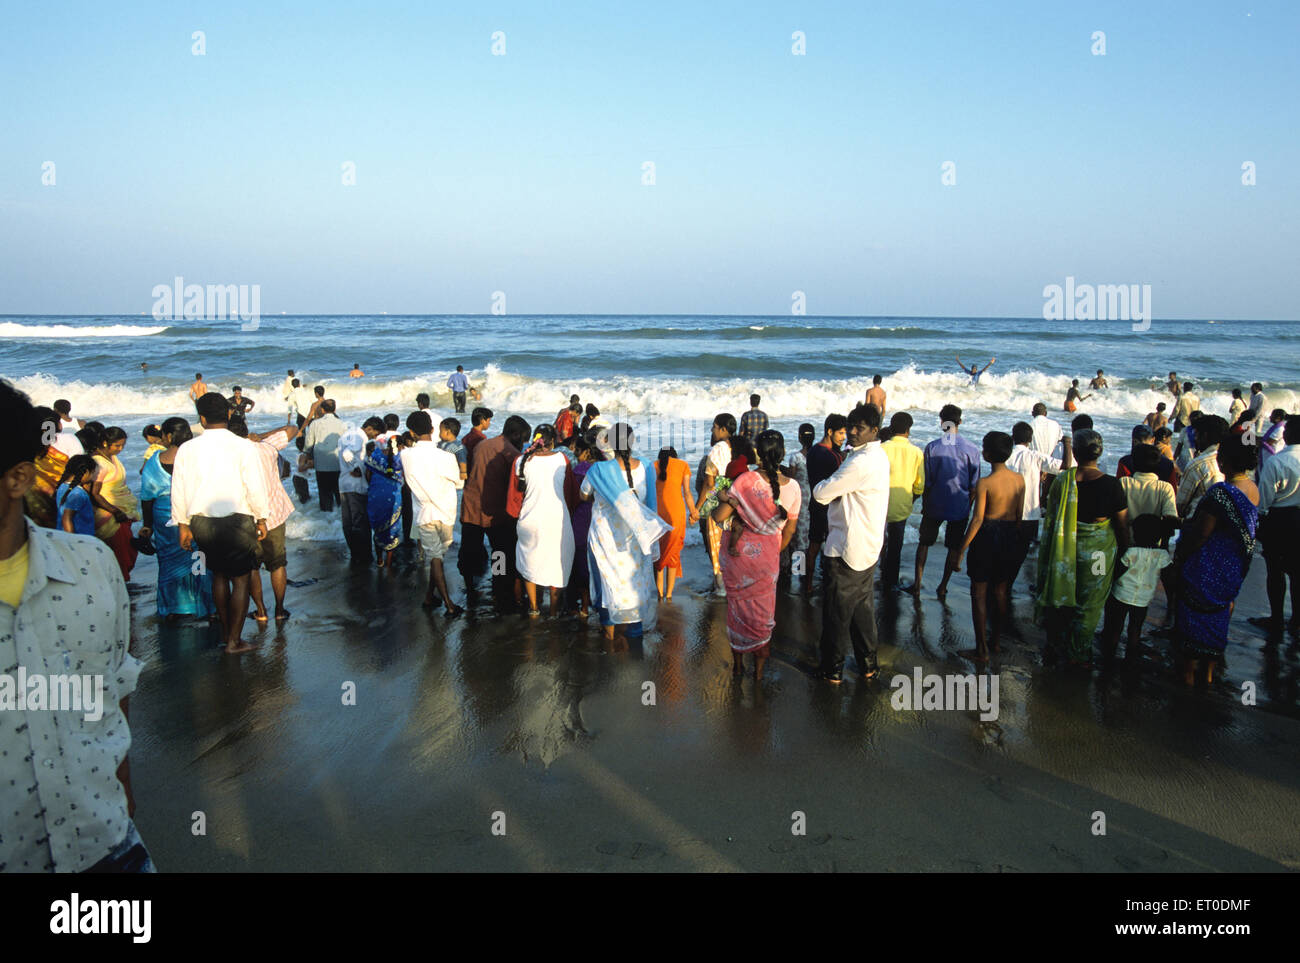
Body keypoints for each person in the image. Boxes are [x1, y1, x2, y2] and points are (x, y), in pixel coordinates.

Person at [0, 379, 152, 872]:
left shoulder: (89, 566)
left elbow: (115, 688)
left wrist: (123, 792)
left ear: (18, 478)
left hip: (108, 842)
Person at [171, 392, 271, 655]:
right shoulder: (244, 446)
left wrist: (182, 524)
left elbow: (178, 488)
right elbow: (254, 486)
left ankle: (226, 633)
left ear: (202, 419)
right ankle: (234, 641)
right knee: (240, 579)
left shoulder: (187, 449)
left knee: (218, 575)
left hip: (201, 520)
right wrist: (262, 517)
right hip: (238, 519)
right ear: (228, 414)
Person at [1037, 429, 1129, 667]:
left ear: (1075, 453)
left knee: (1062, 598)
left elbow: (1051, 516)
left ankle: (1056, 644)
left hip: (1064, 552)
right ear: (1100, 452)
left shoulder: (1062, 481)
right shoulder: (1111, 485)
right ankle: (1078, 653)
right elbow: (1121, 525)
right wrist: (1125, 552)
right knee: (1090, 603)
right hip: (1097, 557)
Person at [713, 429, 799, 680]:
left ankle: (738, 666)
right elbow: (790, 530)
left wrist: (724, 499)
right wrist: (773, 552)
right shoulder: (794, 487)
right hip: (768, 559)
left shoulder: (745, 480)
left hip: (739, 558)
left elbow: (719, 517)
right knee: (763, 614)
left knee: (737, 610)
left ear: (758, 454)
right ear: (782, 453)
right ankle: (759, 672)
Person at [813, 404, 889, 683]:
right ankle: (868, 664)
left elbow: (821, 493)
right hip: (867, 545)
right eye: (851, 426)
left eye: (860, 428)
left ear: (874, 430)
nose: (852, 432)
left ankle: (832, 669)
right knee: (862, 610)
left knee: (837, 613)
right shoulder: (877, 455)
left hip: (847, 547)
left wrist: (828, 484)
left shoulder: (859, 462)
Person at [1173, 435, 1259, 685]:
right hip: (1234, 566)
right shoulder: (1253, 488)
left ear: (1225, 461)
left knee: (1193, 617)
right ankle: (1208, 675)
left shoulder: (1221, 493)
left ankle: (1188, 676)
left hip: (1208, 565)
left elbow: (1202, 533)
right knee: (1218, 618)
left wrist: (1182, 556)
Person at [579, 423, 669, 641]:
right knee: (633, 586)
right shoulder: (646, 466)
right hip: (635, 540)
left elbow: (583, 495)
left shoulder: (598, 470)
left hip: (605, 540)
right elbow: (651, 506)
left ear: (609, 443)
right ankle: (634, 634)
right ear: (632, 441)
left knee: (606, 585)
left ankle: (609, 636)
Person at [955, 431, 1026, 662]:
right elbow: (1019, 515)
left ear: (987, 454)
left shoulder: (984, 483)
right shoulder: (1019, 479)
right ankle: (995, 642)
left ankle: (981, 649)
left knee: (979, 593)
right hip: (1010, 535)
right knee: (1001, 591)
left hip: (987, 536)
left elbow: (977, 520)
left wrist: (961, 550)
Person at [138, 417, 215, 621]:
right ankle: (204, 604)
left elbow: (146, 497)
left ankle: (173, 607)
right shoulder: (198, 457)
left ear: (169, 436)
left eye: (163, 434)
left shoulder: (154, 461)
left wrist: (147, 525)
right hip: (195, 513)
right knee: (199, 559)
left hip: (165, 517)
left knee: (168, 562)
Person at [913, 405, 980, 600]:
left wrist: (925, 504)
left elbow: (927, 482)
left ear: (942, 422)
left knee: (924, 543)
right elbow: (974, 486)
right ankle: (943, 586)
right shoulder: (972, 449)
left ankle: (917, 584)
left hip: (934, 503)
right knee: (953, 547)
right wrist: (968, 505)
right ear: (960, 422)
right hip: (959, 506)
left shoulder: (932, 447)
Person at [234, 416, 297, 624]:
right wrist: (261, 436)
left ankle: (261, 610)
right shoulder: (265, 446)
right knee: (277, 563)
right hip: (273, 513)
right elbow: (292, 428)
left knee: (252, 566)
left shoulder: (228, 455)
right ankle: (279, 609)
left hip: (246, 516)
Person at [401, 411, 466, 616]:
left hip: (424, 512)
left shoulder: (405, 455)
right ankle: (448, 603)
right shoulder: (446, 456)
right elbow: (459, 483)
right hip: (446, 511)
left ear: (411, 432)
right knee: (438, 557)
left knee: (435, 558)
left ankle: (431, 597)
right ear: (432, 429)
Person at [507, 425, 573, 617]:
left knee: (530, 561)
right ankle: (553, 611)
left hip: (529, 519)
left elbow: (514, 499)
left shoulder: (521, 461)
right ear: (553, 442)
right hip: (557, 520)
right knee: (556, 563)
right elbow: (569, 493)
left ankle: (534, 607)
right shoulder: (562, 459)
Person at [1248, 415, 1300, 643]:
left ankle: (1276, 618)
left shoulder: (1277, 462)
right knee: (1297, 573)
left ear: (1288, 435)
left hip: (1280, 520)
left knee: (1275, 571)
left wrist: (1258, 523)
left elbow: (1264, 501)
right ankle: (1296, 620)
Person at [471, 415, 531, 606]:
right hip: (496, 513)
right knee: (501, 553)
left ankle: (478, 589)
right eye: (523, 439)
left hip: (472, 508)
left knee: (474, 552)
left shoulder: (482, 445)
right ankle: (501, 588)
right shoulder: (511, 454)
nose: (523, 444)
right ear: (516, 435)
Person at [1099, 514, 1175, 663]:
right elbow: (1169, 577)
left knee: (1116, 628)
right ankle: (1130, 659)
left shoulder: (1130, 553)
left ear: (1136, 534)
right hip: (1143, 600)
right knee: (1135, 629)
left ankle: (1109, 658)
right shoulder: (1162, 555)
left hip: (1121, 595)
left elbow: (1116, 573)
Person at [1006, 421, 1070, 585]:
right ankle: (1009, 581)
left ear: (1013, 437)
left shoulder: (1006, 455)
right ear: (1030, 440)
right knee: (1021, 551)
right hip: (1029, 513)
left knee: (1005, 550)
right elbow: (1065, 465)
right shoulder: (1035, 456)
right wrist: (1067, 444)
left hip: (1006, 512)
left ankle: (1002, 582)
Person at [880, 412, 924, 591]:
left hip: (878, 505)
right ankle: (891, 582)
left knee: (877, 543)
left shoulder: (881, 449)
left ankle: (875, 574)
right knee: (895, 547)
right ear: (908, 430)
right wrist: (910, 499)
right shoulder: (917, 452)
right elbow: (919, 486)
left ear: (891, 427)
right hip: (902, 506)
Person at [805, 413, 847, 596]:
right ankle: (830, 585)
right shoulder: (831, 456)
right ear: (830, 432)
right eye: (841, 433)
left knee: (813, 546)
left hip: (815, 505)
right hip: (830, 509)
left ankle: (807, 585)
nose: (844, 437)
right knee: (833, 548)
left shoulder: (814, 450)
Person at [90, 427, 140, 580]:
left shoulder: (111, 458)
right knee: (119, 550)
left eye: (123, 445)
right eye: (117, 445)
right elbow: (95, 493)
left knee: (126, 548)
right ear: (105, 443)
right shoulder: (99, 463)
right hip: (109, 513)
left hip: (120, 510)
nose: (120, 449)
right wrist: (115, 511)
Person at [653, 446, 698, 602]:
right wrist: (693, 512)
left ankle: (659, 595)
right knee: (673, 554)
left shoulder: (652, 466)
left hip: (657, 515)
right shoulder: (683, 465)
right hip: (676, 514)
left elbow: (647, 492)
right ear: (675, 456)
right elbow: (687, 492)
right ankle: (669, 595)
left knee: (658, 556)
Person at [700, 413, 738, 594]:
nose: (712, 430)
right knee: (732, 541)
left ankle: (721, 587)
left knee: (716, 544)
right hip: (736, 497)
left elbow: (709, 484)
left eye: (714, 427)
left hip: (718, 499)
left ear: (723, 429)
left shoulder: (717, 449)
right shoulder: (738, 445)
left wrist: (698, 507)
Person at [564, 433, 598, 617]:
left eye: (577, 451)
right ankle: (592, 602)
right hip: (598, 519)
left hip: (580, 519)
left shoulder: (579, 471)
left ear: (586, 452)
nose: (576, 454)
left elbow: (572, 498)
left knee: (578, 562)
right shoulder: (603, 469)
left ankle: (579, 605)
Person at [364, 416, 404, 567]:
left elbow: (368, 474)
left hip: (375, 495)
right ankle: (388, 561)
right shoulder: (399, 459)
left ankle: (379, 559)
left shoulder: (375, 454)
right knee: (392, 528)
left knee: (378, 528)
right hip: (393, 496)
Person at [780, 422, 815, 590]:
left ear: (800, 437)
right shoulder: (817, 455)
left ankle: (797, 572)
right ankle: (806, 574)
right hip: (814, 497)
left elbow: (791, 478)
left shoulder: (796, 457)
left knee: (798, 536)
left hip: (799, 498)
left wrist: (781, 469)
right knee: (808, 536)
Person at [339, 417, 376, 563]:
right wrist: (356, 467)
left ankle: (354, 552)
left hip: (344, 483)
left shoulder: (347, 434)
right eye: (374, 434)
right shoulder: (359, 436)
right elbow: (347, 453)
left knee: (348, 521)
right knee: (360, 521)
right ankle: (365, 554)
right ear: (369, 428)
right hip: (356, 485)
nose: (373, 438)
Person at [1177, 415, 1228, 518]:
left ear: (1204, 436)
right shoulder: (1227, 461)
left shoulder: (1197, 465)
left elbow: (1180, 505)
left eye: (1196, 434)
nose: (1195, 439)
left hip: (1195, 521)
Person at [304, 398, 344, 511]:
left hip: (321, 463)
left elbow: (308, 444)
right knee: (339, 493)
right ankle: (339, 517)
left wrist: (307, 456)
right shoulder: (342, 423)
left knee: (324, 494)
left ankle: (326, 516)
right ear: (334, 409)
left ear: (322, 410)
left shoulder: (315, 424)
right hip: (337, 462)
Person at [55, 455, 99, 536]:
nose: (94, 477)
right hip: (79, 538)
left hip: (62, 535)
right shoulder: (78, 494)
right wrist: (72, 540)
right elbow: (67, 518)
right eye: (93, 473)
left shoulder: (63, 486)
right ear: (86, 472)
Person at [437, 417, 468, 482]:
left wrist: (463, 472)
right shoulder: (440, 443)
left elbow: (462, 460)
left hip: (453, 474)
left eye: (440, 431)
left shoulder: (458, 447)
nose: (439, 433)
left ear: (448, 432)